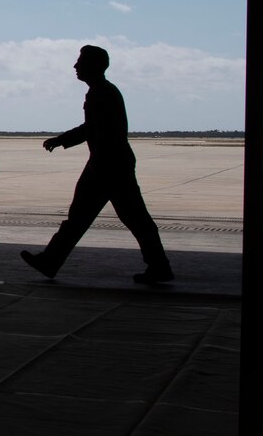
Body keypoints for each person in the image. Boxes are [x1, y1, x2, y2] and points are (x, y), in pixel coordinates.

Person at [21, 45, 174, 285]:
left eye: (80, 62)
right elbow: (91, 129)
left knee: (119, 218)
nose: (75, 66)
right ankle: (50, 261)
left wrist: (67, 144)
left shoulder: (101, 93)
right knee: (128, 218)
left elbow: (97, 131)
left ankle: (50, 261)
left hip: (107, 167)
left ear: (93, 66)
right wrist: (62, 140)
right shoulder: (101, 91)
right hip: (110, 164)